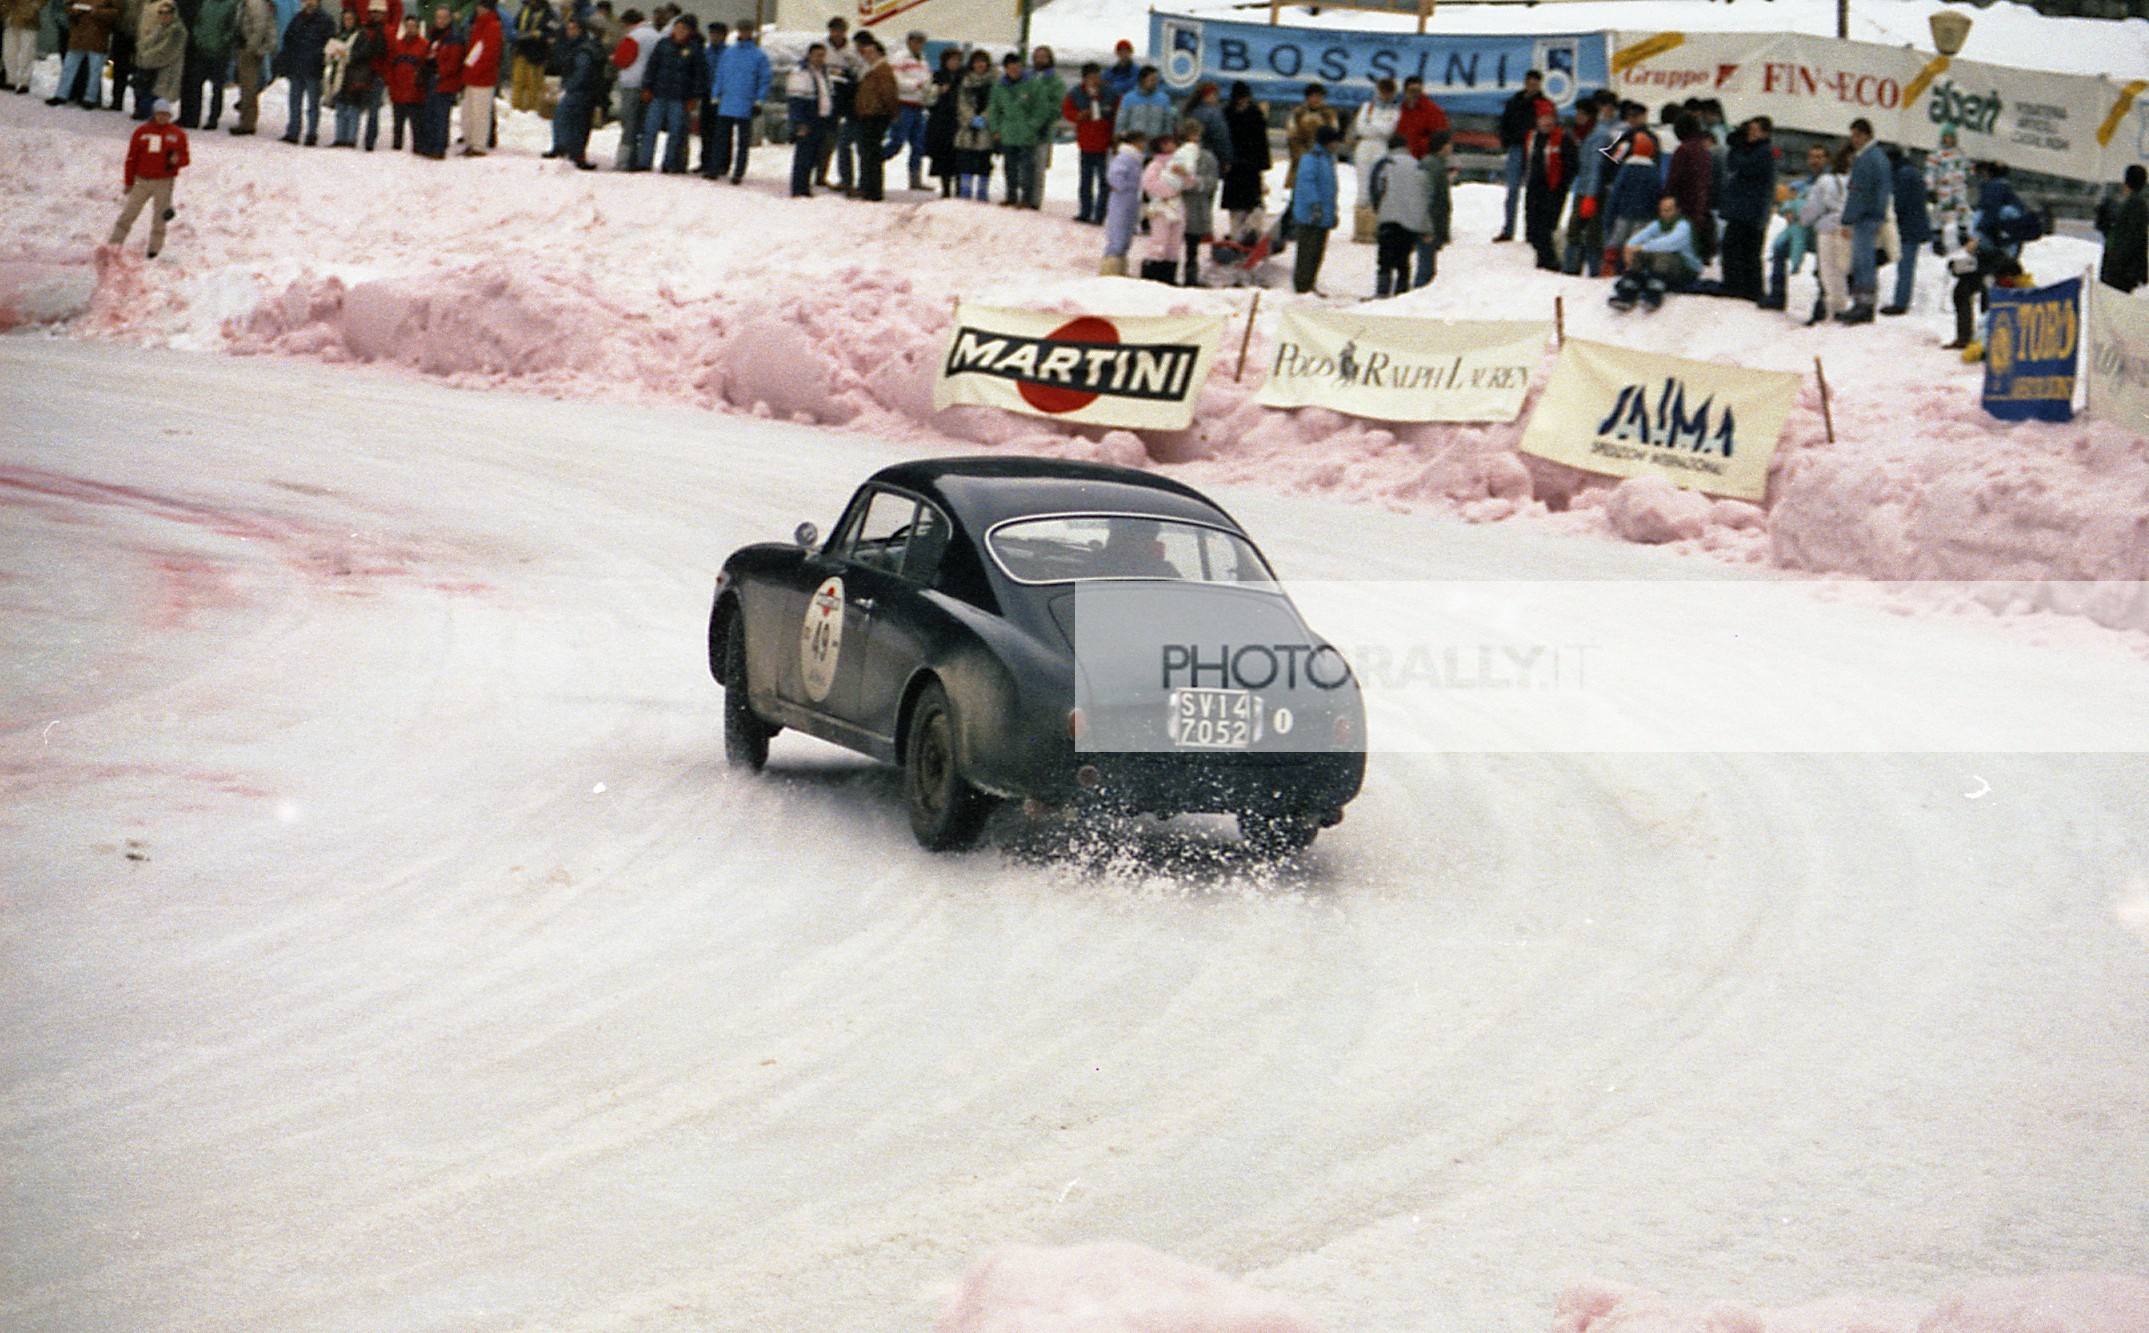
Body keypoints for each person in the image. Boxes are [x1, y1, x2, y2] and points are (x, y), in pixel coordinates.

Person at [110, 97, 187, 256]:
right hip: (142, 181)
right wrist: (129, 181)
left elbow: (186, 158)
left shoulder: (177, 134)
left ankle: (154, 250)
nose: (163, 117)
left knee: (160, 218)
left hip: (164, 182)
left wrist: (177, 160)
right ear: (154, 114)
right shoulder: (141, 132)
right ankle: (113, 245)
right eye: (160, 114)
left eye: (166, 114)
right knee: (128, 214)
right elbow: (131, 158)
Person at [1717, 115, 1774, 303]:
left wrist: (1738, 147)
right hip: (1745, 209)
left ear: (1765, 133)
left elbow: (1743, 166)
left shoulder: (1762, 152)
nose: (1751, 134)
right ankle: (1744, 286)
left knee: (1741, 249)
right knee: (1743, 249)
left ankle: (1741, 286)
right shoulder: (1754, 150)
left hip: (1750, 210)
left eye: (1755, 130)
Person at [635, 13, 701, 173]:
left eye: (683, 29)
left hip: (679, 97)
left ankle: (669, 163)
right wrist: (647, 87)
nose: (679, 31)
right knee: (650, 129)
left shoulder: (694, 49)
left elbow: (698, 76)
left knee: (675, 132)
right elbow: (652, 67)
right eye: (677, 27)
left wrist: (694, 96)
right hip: (658, 93)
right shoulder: (663, 44)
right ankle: (644, 161)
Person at [1837, 117, 1889, 323]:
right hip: (1872, 215)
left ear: (1866, 136)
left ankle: (1863, 306)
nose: (1854, 140)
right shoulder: (1879, 157)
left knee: (1862, 262)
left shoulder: (1865, 159)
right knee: (1864, 261)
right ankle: (1864, 304)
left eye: (1857, 135)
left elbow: (1858, 192)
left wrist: (1847, 219)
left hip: (1864, 217)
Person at [1609, 195, 1700, 311]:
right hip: (1667, 266)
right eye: (1662, 210)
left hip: (1687, 268)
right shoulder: (1658, 224)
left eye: (1668, 210)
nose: (1665, 214)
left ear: (1677, 210)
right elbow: (1640, 236)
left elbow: (1669, 243)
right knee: (1639, 255)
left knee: (1663, 255)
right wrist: (1629, 247)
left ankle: (1653, 295)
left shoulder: (1683, 225)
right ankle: (1627, 294)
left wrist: (1642, 247)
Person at [1601, 102, 1660, 271]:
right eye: (1630, 116)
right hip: (1625, 198)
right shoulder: (1625, 137)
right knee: (1620, 237)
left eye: (1636, 116)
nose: (1632, 119)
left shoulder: (1649, 139)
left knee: (1628, 238)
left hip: (1634, 201)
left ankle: (1628, 269)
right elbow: (1611, 160)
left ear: (1644, 117)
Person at [705, 19, 767, 183]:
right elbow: (720, 75)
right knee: (720, 138)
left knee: (743, 141)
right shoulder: (729, 53)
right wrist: (716, 95)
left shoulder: (759, 55)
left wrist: (759, 100)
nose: (744, 33)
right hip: (727, 101)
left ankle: (738, 171)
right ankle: (714, 168)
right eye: (741, 30)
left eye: (747, 30)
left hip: (746, 102)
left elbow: (764, 79)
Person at [1563, 89, 1616, 275]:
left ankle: (1593, 270)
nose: (1578, 117)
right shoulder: (1581, 134)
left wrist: (1590, 196)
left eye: (1581, 114)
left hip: (1594, 192)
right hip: (1582, 188)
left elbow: (1596, 167)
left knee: (1593, 233)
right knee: (1575, 230)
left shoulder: (1599, 136)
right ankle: (1571, 268)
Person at [1369, 132, 1426, 298]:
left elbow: (1376, 188)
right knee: (1403, 260)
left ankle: (1382, 291)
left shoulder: (1385, 163)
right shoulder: (1417, 165)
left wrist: (1378, 209)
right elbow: (1424, 192)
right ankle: (1401, 292)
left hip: (1388, 217)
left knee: (1385, 259)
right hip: (1411, 219)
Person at [987, 49, 1046, 208]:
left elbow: (1041, 108)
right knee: (1010, 167)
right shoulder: (999, 86)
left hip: (1027, 134)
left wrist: (1032, 126)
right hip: (1008, 133)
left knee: (1027, 168)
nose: (1015, 71)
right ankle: (1011, 195)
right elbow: (994, 109)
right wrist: (996, 128)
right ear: (1006, 69)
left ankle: (1026, 199)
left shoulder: (1033, 84)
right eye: (1012, 68)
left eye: (1018, 67)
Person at [1521, 98, 1574, 272]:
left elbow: (1571, 164)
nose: (1547, 122)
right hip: (1534, 187)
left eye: (1550, 118)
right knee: (1533, 224)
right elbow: (1527, 161)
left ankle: (1551, 260)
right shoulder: (1531, 137)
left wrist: (1562, 184)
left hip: (1554, 188)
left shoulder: (1562, 137)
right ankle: (1541, 258)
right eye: (1543, 118)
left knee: (1548, 225)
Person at [1800, 143, 1851, 324]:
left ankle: (1828, 311)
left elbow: (1813, 206)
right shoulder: (1856, 181)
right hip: (1848, 228)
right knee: (1840, 271)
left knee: (1828, 271)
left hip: (1828, 227)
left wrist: (1804, 221)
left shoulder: (1826, 180)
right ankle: (1839, 309)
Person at [1492, 68, 1542, 240]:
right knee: (1512, 190)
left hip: (1534, 150)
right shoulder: (1514, 102)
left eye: (1535, 84)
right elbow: (1504, 123)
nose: (1532, 87)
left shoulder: (1542, 104)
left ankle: (1531, 230)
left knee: (1533, 192)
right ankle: (1508, 229)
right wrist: (1507, 141)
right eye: (1530, 84)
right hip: (1516, 147)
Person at [546, 13, 602, 167]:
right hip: (583, 89)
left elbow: (582, 71)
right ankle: (570, 150)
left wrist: (570, 85)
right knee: (571, 120)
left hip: (580, 90)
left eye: (573, 28)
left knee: (572, 120)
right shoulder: (581, 46)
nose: (569, 32)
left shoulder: (582, 49)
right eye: (568, 28)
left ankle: (570, 151)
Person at [1291, 123, 1340, 295]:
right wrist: (1315, 205)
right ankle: (1302, 286)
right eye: (1334, 141)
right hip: (1310, 215)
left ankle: (1309, 283)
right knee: (1307, 252)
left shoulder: (1327, 160)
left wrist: (1332, 212)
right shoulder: (1312, 159)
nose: (1337, 145)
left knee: (1317, 253)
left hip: (1322, 215)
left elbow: (1330, 189)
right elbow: (1307, 183)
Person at [1881, 146, 1931, 315]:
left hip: (1907, 226)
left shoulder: (1903, 175)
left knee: (1905, 266)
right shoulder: (1912, 171)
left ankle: (1900, 303)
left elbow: (1899, 202)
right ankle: (1901, 300)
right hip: (1914, 224)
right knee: (1906, 266)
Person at [1064, 61, 1113, 223]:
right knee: (1085, 181)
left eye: (1097, 77)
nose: (1095, 80)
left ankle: (1100, 214)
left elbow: (1117, 113)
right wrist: (1079, 116)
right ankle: (1085, 211)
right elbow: (1067, 110)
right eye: (1091, 77)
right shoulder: (1076, 93)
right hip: (1086, 143)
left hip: (1104, 144)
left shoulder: (1110, 93)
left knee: (1104, 182)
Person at [276, 0, 332, 142]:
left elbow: (329, 43)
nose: (308, 2)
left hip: (313, 68)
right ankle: (293, 131)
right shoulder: (298, 18)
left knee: (313, 104)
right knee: (294, 102)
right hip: (296, 66)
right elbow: (288, 39)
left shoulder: (325, 20)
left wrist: (319, 57)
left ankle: (312, 133)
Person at [1664, 110, 1715, 264]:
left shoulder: (1683, 150)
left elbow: (1674, 179)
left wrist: (1666, 198)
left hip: (1683, 205)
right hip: (1699, 205)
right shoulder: (1703, 150)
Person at [332, 2, 385, 148]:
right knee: (341, 106)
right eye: (345, 19)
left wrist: (348, 55)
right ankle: (339, 136)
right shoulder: (340, 35)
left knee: (353, 107)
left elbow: (364, 53)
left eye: (350, 19)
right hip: (340, 74)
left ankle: (350, 138)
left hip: (355, 74)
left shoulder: (361, 35)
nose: (347, 22)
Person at [609, 8, 656, 168]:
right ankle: (643, 159)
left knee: (629, 124)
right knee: (644, 124)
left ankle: (625, 161)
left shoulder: (633, 37)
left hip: (632, 83)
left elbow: (622, 60)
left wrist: (613, 58)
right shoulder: (656, 35)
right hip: (650, 85)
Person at [851, 33, 895, 200]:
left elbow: (888, 93)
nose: (867, 55)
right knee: (868, 153)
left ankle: (873, 190)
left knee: (872, 153)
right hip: (868, 114)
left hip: (876, 115)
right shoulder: (870, 69)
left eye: (871, 52)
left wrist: (890, 111)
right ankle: (869, 188)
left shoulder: (881, 70)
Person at [1139, 131, 1188, 282]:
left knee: (1175, 241)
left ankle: (1169, 274)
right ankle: (1152, 273)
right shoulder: (1155, 165)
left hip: (1176, 205)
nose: (1172, 146)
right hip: (1161, 206)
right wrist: (1168, 191)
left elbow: (1188, 183)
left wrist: (1185, 175)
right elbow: (1148, 184)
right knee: (1159, 239)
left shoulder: (1179, 163)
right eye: (1167, 143)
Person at [883, 29, 929, 191]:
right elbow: (896, 81)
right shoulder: (899, 58)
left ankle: (915, 179)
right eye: (915, 41)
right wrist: (916, 85)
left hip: (918, 105)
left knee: (918, 144)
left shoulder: (923, 61)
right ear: (909, 42)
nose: (918, 45)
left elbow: (927, 80)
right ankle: (873, 164)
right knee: (897, 142)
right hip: (903, 104)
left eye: (921, 42)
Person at [1176, 116, 1219, 287]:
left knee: (1192, 245)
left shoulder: (1207, 157)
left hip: (1196, 206)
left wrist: (1193, 182)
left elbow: (1211, 182)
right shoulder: (1177, 155)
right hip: (1179, 204)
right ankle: (1172, 272)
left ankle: (1190, 274)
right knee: (1174, 242)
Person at [1220, 79, 1267, 233]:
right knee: (1234, 204)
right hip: (1233, 164)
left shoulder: (1255, 114)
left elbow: (1262, 141)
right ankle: (1236, 232)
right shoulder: (1227, 113)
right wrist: (1225, 160)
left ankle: (1252, 232)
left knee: (1253, 202)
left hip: (1251, 165)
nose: (1243, 101)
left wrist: (1263, 164)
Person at [784, 39, 831, 197]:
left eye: (822, 55)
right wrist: (799, 123)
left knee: (814, 155)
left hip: (820, 118)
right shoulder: (801, 72)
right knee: (804, 155)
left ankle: (806, 186)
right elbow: (795, 100)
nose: (820, 59)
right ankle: (799, 188)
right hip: (807, 118)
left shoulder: (823, 72)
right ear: (809, 56)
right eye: (817, 55)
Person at [51, 0, 119, 107]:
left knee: (94, 72)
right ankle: (61, 95)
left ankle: (90, 99)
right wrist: (74, 11)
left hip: (97, 37)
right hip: (78, 37)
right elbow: (68, 6)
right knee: (68, 68)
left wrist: (97, 12)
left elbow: (117, 12)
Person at [416, 4, 462, 158]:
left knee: (441, 116)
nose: (441, 21)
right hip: (432, 78)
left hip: (444, 81)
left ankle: (438, 147)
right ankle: (429, 144)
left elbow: (454, 62)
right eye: (438, 18)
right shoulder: (433, 34)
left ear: (449, 19)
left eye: (444, 18)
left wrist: (439, 70)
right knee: (429, 114)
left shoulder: (454, 37)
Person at [1350, 75, 1400, 214]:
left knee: (1378, 180)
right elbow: (1360, 128)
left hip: (1381, 146)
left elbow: (1388, 130)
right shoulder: (1367, 107)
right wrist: (1379, 126)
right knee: (1362, 181)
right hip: (1364, 145)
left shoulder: (1395, 111)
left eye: (1388, 92)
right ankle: (1362, 213)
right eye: (1382, 91)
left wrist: (1371, 123)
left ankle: (1376, 213)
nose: (1385, 95)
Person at [180, 0, 233, 129]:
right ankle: (193, 117)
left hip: (220, 53)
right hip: (202, 51)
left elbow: (232, 28)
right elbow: (198, 24)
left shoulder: (231, 4)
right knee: (196, 85)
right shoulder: (205, 3)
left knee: (217, 88)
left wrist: (223, 43)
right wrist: (198, 39)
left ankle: (213, 119)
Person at [950, 46, 993, 201]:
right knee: (965, 158)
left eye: (983, 62)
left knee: (984, 159)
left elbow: (995, 103)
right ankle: (965, 190)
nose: (980, 65)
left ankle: (982, 190)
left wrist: (985, 117)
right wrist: (970, 118)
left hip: (987, 128)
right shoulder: (965, 81)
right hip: (967, 128)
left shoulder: (994, 82)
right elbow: (961, 103)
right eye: (977, 62)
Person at [819, 16, 858, 191]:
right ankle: (820, 174)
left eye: (840, 30)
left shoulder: (851, 50)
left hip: (846, 97)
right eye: (834, 30)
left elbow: (856, 71)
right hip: (826, 95)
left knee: (843, 140)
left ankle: (845, 178)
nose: (837, 34)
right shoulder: (822, 47)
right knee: (825, 138)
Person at [460, 0, 502, 157]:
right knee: (469, 111)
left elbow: (490, 54)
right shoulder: (480, 24)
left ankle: (478, 145)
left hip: (482, 77)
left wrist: (475, 71)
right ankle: (471, 141)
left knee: (480, 112)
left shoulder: (492, 26)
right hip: (473, 74)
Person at [1100, 128, 1145, 275]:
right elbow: (1114, 176)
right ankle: (1110, 267)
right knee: (1118, 230)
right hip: (1122, 198)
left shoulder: (1135, 158)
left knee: (1126, 232)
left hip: (1130, 198)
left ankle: (1119, 267)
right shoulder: (1125, 157)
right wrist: (1124, 188)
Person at [1024, 45, 1063, 209]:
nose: (1039, 60)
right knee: (1022, 166)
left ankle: (1034, 201)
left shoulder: (1055, 81)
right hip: (1023, 129)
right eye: (1036, 56)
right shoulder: (1026, 77)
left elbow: (1057, 107)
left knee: (1038, 168)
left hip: (1043, 130)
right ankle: (1022, 197)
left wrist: (1042, 120)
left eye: (1043, 57)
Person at [2101, 164, 2149, 293]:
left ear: (2125, 183)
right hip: (2126, 270)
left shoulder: (2132, 205)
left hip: (2119, 271)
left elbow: (2124, 241)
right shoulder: (2139, 205)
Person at [1414, 128, 1452, 288]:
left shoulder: (1431, 164)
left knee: (1427, 262)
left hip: (1427, 220)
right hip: (1429, 222)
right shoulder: (1434, 166)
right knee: (1426, 265)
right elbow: (1435, 199)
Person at [1283, 82, 1337, 192]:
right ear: (1307, 98)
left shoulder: (1329, 114)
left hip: (1322, 159)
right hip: (1300, 158)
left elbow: (1333, 135)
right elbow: (1292, 135)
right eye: (1313, 96)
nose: (1316, 100)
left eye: (1319, 97)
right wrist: (1303, 156)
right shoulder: (1298, 113)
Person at [131, 0, 182, 116]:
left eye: (167, 13)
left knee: (157, 106)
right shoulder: (158, 28)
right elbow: (144, 43)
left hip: (165, 74)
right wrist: (141, 54)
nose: (164, 16)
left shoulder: (177, 30)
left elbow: (165, 51)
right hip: (150, 72)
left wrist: (144, 58)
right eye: (160, 13)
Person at [1926, 124, 1971, 254]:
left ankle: (1963, 234)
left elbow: (1967, 167)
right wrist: (1930, 188)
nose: (1949, 140)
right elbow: (1930, 171)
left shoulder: (1959, 153)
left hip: (1958, 186)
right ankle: (1937, 240)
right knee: (1939, 212)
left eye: (1951, 137)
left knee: (1963, 209)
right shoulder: (1936, 154)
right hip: (1943, 187)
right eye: (1946, 137)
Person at [924, 46, 962, 196]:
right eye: (951, 60)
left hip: (958, 120)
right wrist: (938, 91)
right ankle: (946, 189)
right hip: (940, 121)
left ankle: (960, 189)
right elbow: (927, 97)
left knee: (959, 155)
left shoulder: (963, 77)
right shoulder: (937, 76)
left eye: (957, 60)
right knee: (942, 155)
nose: (954, 63)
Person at [385, 11, 425, 149]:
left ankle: (418, 148)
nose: (410, 29)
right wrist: (391, 85)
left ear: (418, 27)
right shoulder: (397, 45)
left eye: (413, 26)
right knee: (397, 125)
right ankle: (397, 148)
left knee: (416, 125)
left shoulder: (424, 45)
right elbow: (390, 66)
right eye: (408, 26)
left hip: (415, 93)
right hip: (398, 92)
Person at [508, 0, 553, 112]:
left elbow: (553, 34)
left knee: (533, 85)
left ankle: (531, 111)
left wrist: (540, 34)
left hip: (537, 55)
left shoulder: (549, 14)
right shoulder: (525, 9)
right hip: (521, 50)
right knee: (518, 82)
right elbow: (515, 26)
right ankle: (516, 109)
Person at [1112, 61, 1172, 142]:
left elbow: (1167, 125)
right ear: (1142, 80)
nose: (1155, 83)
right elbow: (1121, 123)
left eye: (1156, 80)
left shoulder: (1164, 99)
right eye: (1152, 80)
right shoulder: (1128, 98)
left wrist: (1167, 141)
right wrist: (1119, 140)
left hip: (1154, 144)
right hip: (1134, 144)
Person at [1393, 73, 1445, 160]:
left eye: (1418, 91)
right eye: (1412, 91)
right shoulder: (1399, 110)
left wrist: (1422, 148)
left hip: (1423, 158)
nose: (1415, 95)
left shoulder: (1433, 111)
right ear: (1405, 91)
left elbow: (1440, 138)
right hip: (1401, 157)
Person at [5, 0, 40, 93]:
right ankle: (11, 80)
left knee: (27, 53)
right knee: (9, 52)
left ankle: (25, 82)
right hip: (10, 17)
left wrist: (34, 6)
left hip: (29, 21)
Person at [1101, 37, 1136, 103]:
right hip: (1113, 100)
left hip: (1130, 101)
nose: (1123, 53)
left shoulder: (1137, 70)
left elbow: (1132, 84)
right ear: (1117, 53)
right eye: (1120, 51)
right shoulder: (1111, 70)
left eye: (1126, 51)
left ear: (1130, 52)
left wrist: (1113, 86)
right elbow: (1103, 81)